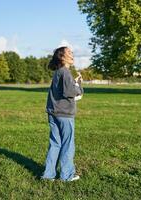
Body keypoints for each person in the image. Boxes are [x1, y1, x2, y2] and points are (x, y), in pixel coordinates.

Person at [41, 46, 83, 182]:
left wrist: (74, 83)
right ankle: (67, 176)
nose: (72, 54)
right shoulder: (65, 72)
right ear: (62, 57)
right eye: (69, 52)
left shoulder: (59, 72)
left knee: (55, 144)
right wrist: (78, 85)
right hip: (64, 115)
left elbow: (64, 90)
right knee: (68, 145)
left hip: (53, 113)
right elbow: (70, 92)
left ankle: (48, 176)